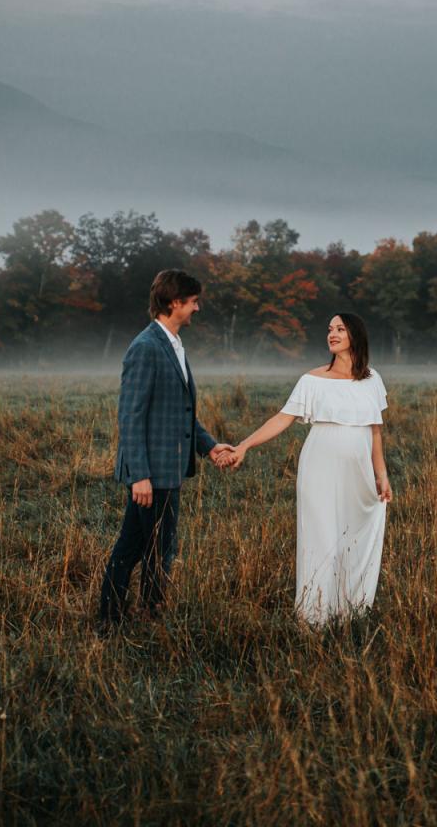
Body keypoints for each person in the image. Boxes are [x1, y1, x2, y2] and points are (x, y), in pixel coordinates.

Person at [223, 313, 393, 625]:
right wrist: (244, 445)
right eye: (329, 328)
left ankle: (349, 610)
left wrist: (381, 475)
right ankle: (314, 616)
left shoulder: (372, 379)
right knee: (321, 535)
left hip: (359, 472)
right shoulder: (312, 380)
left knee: (353, 533)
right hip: (320, 465)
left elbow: (375, 431)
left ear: (356, 334)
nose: (332, 333)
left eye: (340, 329)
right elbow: (282, 419)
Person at [96, 269, 234, 631]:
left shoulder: (172, 344)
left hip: (167, 470)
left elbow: (180, 412)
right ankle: (131, 617)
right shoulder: (145, 347)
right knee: (155, 548)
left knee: (143, 545)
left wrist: (210, 447)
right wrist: (139, 474)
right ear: (175, 303)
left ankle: (123, 616)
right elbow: (130, 415)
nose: (196, 309)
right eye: (192, 302)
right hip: (152, 473)